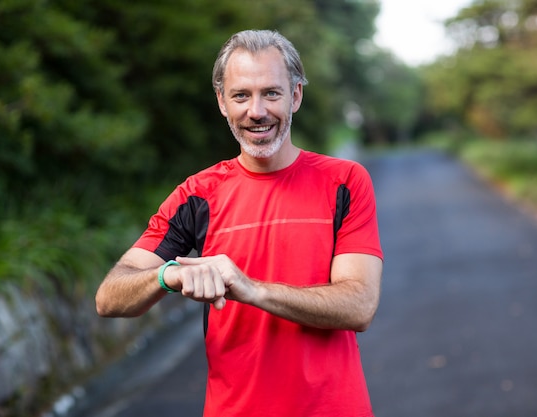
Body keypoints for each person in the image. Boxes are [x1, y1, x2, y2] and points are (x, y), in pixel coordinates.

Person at [96, 29, 383, 417]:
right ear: (222, 102)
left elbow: (359, 305)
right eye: (241, 95)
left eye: (271, 93)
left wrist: (250, 290)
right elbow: (109, 297)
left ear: (296, 96)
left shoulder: (345, 181)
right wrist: (169, 275)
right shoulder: (196, 195)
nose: (257, 111)